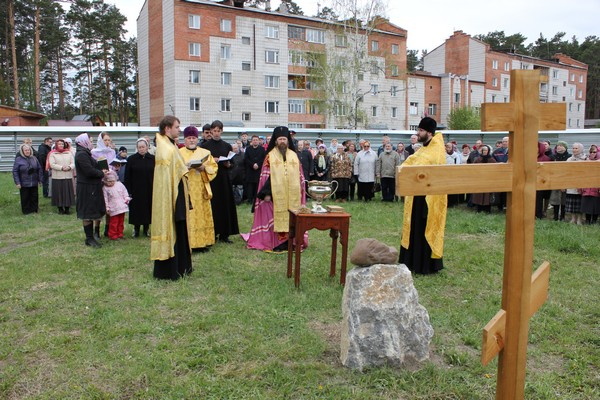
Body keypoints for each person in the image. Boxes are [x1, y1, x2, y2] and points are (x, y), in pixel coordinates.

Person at [242, 126, 307, 252]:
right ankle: (277, 243)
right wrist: (266, 193)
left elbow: (300, 175)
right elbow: (264, 177)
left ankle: (292, 241)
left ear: (288, 140)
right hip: (274, 195)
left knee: (292, 217)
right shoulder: (270, 156)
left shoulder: (294, 155)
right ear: (276, 141)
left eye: (284, 139)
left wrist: (302, 190)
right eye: (280, 139)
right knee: (276, 217)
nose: (282, 141)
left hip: (292, 195)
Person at [399, 117, 447, 275]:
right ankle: (411, 261)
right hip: (416, 195)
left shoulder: (436, 150)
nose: (417, 133)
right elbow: (411, 161)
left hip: (428, 199)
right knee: (413, 227)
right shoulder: (424, 148)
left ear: (429, 133)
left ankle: (424, 264)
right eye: (418, 130)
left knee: (424, 228)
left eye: (420, 130)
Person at [151, 115, 193, 280]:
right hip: (172, 194)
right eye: (177, 127)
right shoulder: (165, 148)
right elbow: (167, 177)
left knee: (180, 226)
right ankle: (170, 270)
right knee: (173, 225)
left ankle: (183, 266)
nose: (179, 130)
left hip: (178, 190)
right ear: (167, 128)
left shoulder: (170, 144)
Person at [179, 125, 218, 251]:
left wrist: (204, 168)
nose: (191, 140)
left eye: (194, 138)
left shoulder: (205, 153)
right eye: (189, 138)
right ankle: (189, 243)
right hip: (186, 190)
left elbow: (214, 168)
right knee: (189, 216)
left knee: (202, 215)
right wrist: (186, 168)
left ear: (197, 139)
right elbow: (173, 171)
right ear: (184, 140)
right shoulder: (179, 153)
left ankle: (204, 242)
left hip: (201, 189)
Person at [201, 120, 239, 243]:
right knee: (213, 206)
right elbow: (202, 162)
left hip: (223, 179)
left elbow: (233, 163)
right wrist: (213, 160)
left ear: (222, 131)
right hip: (211, 180)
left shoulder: (227, 146)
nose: (216, 133)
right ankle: (212, 233)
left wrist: (228, 164)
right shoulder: (205, 147)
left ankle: (224, 234)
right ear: (211, 131)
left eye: (219, 131)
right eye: (214, 131)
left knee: (224, 206)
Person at [75, 133, 107, 248]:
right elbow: (88, 171)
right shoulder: (81, 155)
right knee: (87, 212)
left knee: (92, 211)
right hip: (86, 188)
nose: (91, 143)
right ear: (84, 142)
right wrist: (101, 173)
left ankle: (91, 237)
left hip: (92, 186)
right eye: (90, 141)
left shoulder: (85, 153)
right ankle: (89, 238)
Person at [125, 138, 155, 237]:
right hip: (136, 189)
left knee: (148, 209)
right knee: (137, 210)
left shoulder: (153, 159)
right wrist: (128, 190)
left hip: (149, 188)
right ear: (137, 148)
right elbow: (127, 176)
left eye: (143, 147)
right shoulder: (131, 159)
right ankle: (136, 229)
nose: (141, 149)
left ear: (147, 147)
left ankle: (146, 229)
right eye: (139, 147)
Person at [13, 144, 44, 214]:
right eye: (25, 150)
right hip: (24, 183)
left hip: (34, 181)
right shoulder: (18, 159)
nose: (27, 151)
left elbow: (39, 169)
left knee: (34, 196)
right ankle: (26, 211)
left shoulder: (34, 158)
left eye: (28, 150)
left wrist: (40, 180)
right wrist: (17, 182)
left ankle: (34, 210)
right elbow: (15, 171)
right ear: (22, 151)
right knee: (25, 197)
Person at [48, 138, 75, 214]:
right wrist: (61, 168)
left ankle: (67, 209)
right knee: (59, 193)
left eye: (62, 144)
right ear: (56, 145)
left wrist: (69, 167)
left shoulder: (69, 153)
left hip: (68, 176)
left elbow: (73, 163)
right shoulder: (52, 154)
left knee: (67, 193)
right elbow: (52, 164)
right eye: (59, 144)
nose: (61, 145)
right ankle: (60, 208)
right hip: (57, 177)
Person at [102, 171, 131, 240]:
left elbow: (125, 192)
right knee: (114, 222)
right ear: (105, 181)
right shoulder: (105, 188)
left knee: (121, 221)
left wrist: (126, 198)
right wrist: (107, 208)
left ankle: (120, 233)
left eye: (112, 181)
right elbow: (105, 198)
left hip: (122, 206)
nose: (111, 183)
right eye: (109, 181)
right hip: (113, 207)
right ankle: (113, 235)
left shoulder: (119, 184)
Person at [565, 143, 588, 225]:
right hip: (571, 183)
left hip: (581, 184)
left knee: (579, 202)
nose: (574, 150)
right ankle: (573, 218)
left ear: (581, 149)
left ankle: (579, 219)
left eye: (576, 148)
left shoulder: (585, 159)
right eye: (573, 148)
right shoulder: (569, 159)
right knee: (572, 201)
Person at [471, 145, 498, 213]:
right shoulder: (478, 159)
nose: (484, 152)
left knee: (487, 195)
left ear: (488, 151)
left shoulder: (492, 159)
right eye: (483, 150)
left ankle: (487, 210)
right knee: (479, 195)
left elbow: (495, 169)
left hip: (488, 180)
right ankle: (479, 209)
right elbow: (474, 168)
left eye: (486, 150)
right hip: (479, 180)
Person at [549, 141, 570, 221]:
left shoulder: (569, 157)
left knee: (564, 200)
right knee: (555, 200)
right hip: (555, 180)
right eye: (558, 145)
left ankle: (562, 217)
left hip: (565, 180)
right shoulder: (552, 157)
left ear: (565, 147)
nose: (559, 147)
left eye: (561, 146)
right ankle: (555, 216)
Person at [244, 135, 267, 207]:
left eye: (256, 140)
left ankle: (256, 198)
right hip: (250, 170)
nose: (255, 141)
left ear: (259, 141)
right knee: (250, 186)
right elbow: (246, 159)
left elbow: (264, 159)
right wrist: (252, 165)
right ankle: (250, 199)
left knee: (258, 185)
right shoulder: (248, 149)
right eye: (254, 140)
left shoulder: (262, 149)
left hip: (258, 170)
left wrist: (258, 165)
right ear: (251, 141)